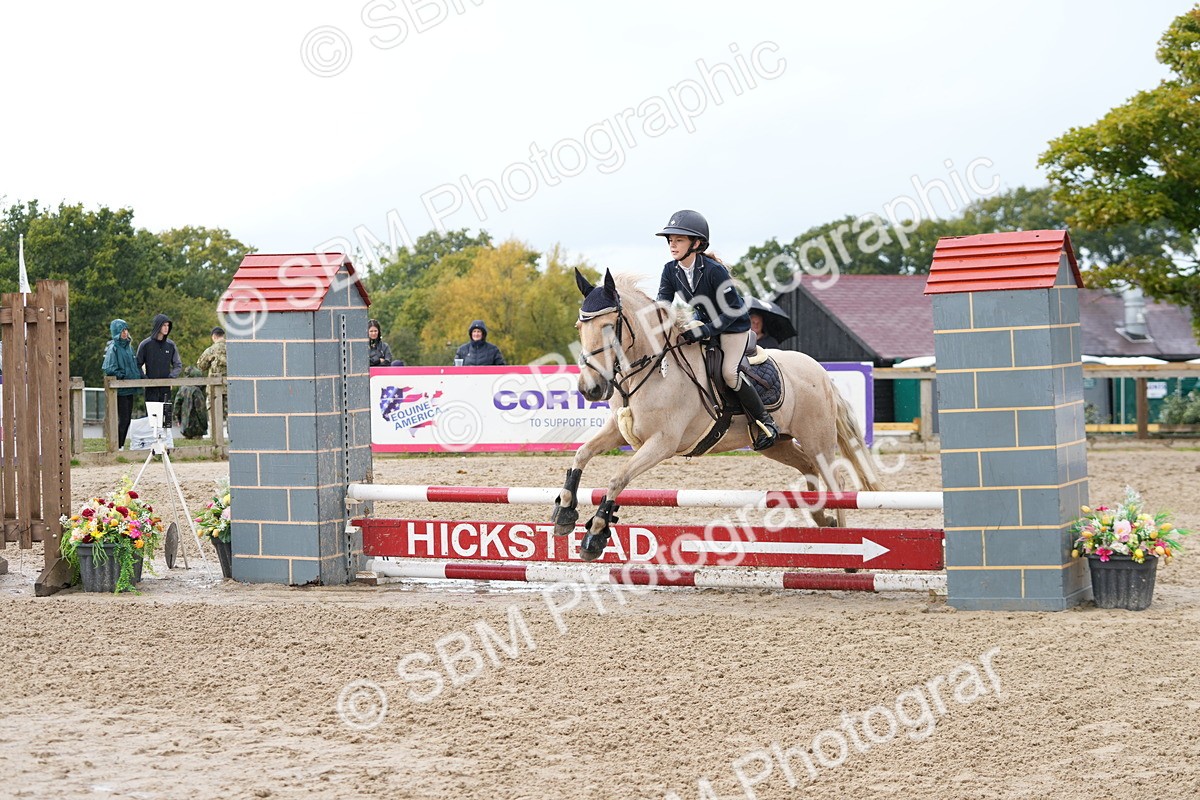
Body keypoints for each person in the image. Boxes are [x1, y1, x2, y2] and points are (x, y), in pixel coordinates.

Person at [655, 209, 778, 450]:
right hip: (703, 323)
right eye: (670, 240)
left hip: (733, 328)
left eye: (679, 239)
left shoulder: (714, 270)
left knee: (729, 373)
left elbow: (732, 311)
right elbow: (663, 303)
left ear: (696, 243)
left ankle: (766, 421)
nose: (672, 245)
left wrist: (704, 331)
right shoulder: (670, 270)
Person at [101, 319, 142, 450]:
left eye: (126, 330)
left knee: (127, 419)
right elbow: (108, 368)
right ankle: (117, 446)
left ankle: (121, 445)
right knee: (123, 420)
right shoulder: (113, 348)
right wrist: (123, 375)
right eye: (122, 330)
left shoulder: (129, 347)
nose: (125, 332)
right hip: (120, 390)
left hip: (130, 388)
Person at [136, 313, 182, 407]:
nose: (166, 328)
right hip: (150, 389)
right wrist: (145, 379)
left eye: (168, 325)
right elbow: (137, 364)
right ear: (158, 326)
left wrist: (171, 377)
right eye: (164, 325)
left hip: (166, 388)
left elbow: (178, 364)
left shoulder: (171, 345)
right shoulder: (145, 345)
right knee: (153, 418)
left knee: (166, 418)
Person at [173, 366, 209, 439]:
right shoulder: (197, 391)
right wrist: (205, 425)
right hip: (197, 427)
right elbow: (201, 410)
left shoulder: (182, 389)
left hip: (185, 426)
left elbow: (177, 406)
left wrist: (178, 419)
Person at [197, 326, 227, 411]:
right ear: (223, 336)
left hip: (214, 390)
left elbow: (201, 366)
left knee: (214, 417)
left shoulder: (211, 350)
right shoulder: (232, 348)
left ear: (214, 336)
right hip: (230, 389)